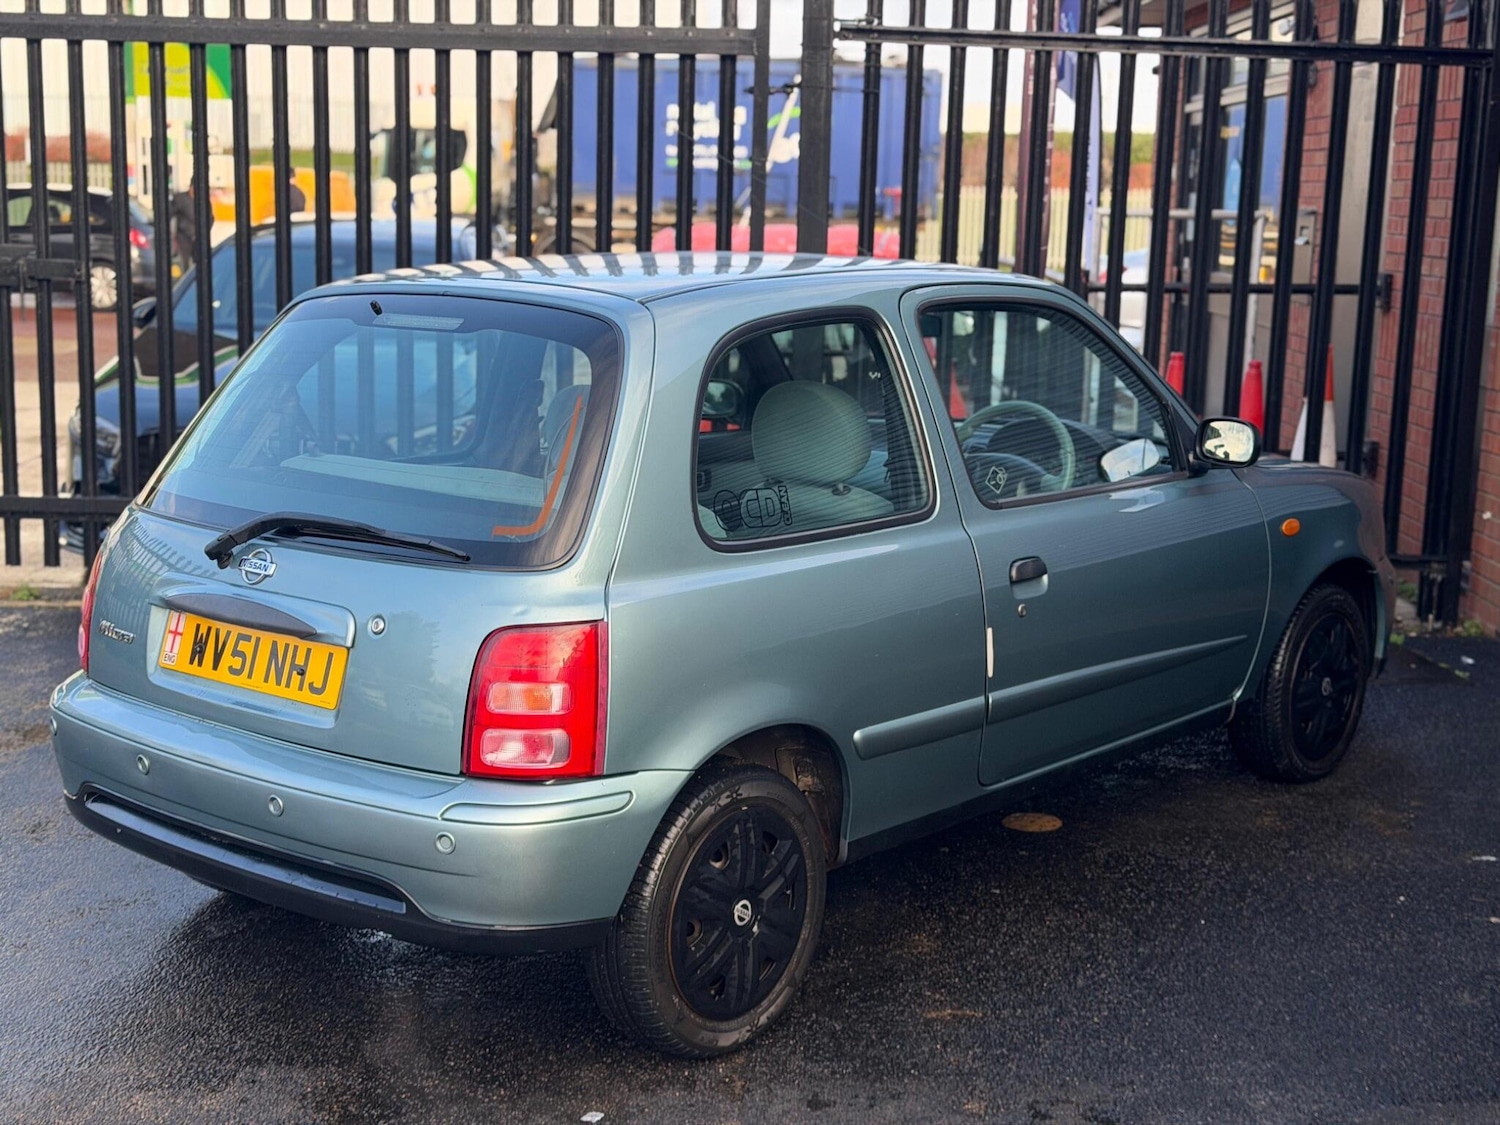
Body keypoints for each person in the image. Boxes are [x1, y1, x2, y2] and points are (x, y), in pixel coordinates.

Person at [170, 178, 196, 273]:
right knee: (183, 263)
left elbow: (210, 218)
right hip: (183, 237)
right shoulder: (180, 199)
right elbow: (170, 213)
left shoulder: (203, 200)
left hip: (197, 237)